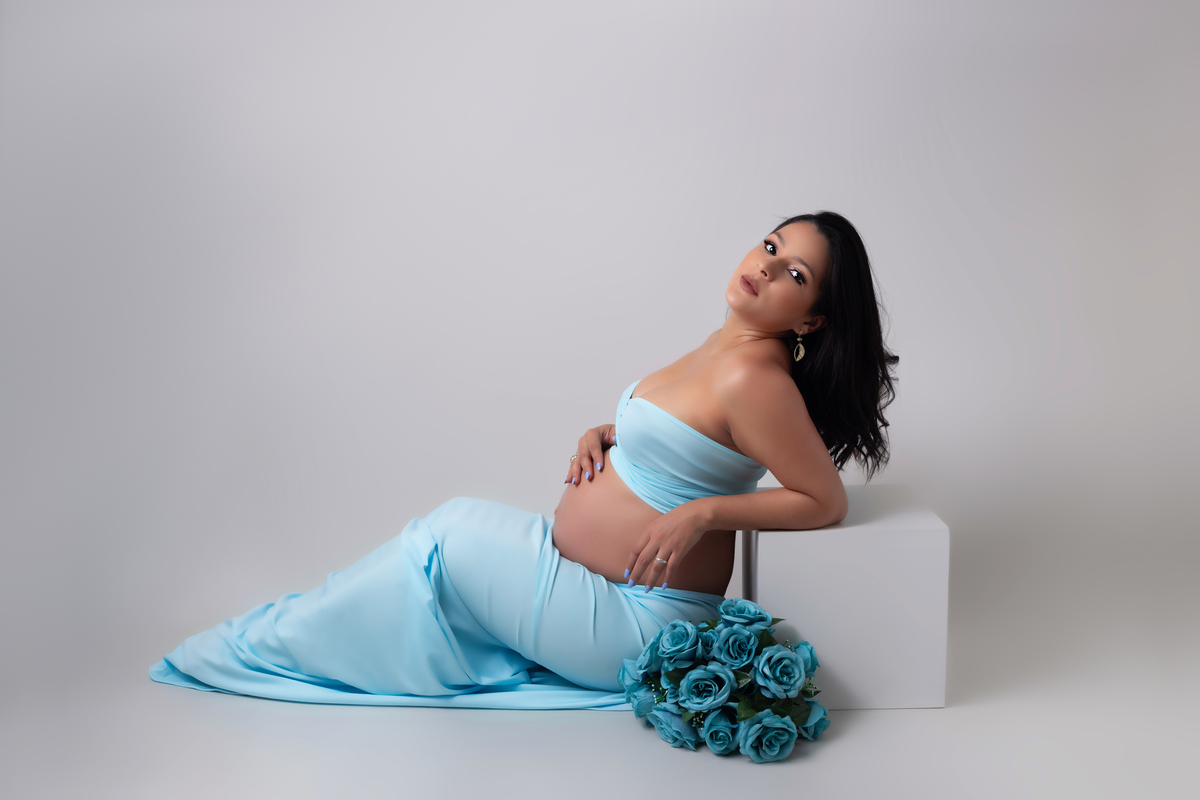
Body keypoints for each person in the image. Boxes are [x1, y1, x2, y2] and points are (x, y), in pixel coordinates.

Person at [150, 211, 899, 710]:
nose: (767, 267)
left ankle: (262, 646)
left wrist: (701, 514)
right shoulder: (724, 348)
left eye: (795, 275)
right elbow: (700, 437)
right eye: (771, 247)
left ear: (812, 319)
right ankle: (281, 637)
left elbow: (822, 500)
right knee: (438, 546)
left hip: (640, 618)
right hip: (598, 584)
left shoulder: (754, 377)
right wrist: (615, 433)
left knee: (447, 537)